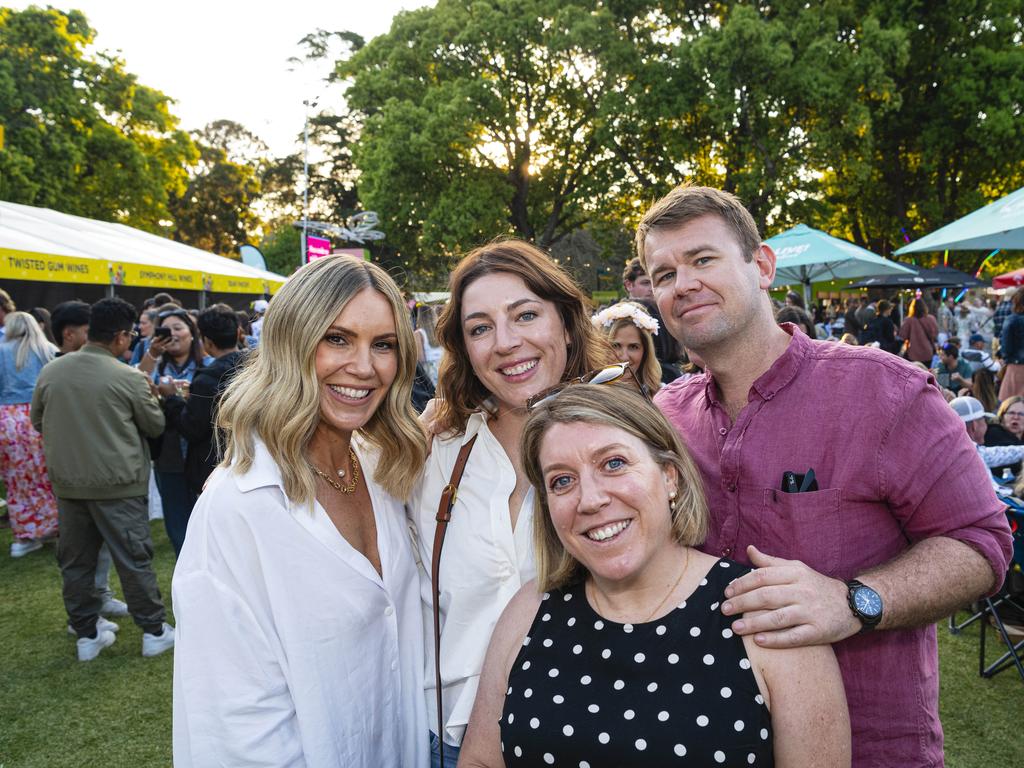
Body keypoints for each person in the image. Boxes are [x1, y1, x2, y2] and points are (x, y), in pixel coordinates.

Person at [635, 184, 1012, 767]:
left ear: (761, 266)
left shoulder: (884, 393)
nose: (683, 284)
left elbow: (981, 543)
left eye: (702, 259)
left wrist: (853, 600)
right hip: (704, 744)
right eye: (663, 274)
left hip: (870, 746)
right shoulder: (664, 419)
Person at [459, 384, 851, 768]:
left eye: (613, 463)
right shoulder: (530, 610)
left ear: (669, 476)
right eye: (562, 481)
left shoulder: (765, 611)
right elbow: (480, 759)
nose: (591, 500)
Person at [172, 255, 428, 767]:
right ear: (291, 342)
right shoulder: (238, 506)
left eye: (383, 345)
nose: (364, 367)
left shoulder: (383, 470)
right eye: (337, 338)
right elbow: (233, 725)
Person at [408, 239, 614, 767]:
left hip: (589, 739)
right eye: (480, 328)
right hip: (449, 740)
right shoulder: (434, 453)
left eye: (525, 315)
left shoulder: (625, 447)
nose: (505, 342)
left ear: (566, 324)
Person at [31, 298, 173, 662]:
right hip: (118, 483)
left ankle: (86, 633)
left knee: (76, 563)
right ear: (123, 338)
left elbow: (37, 420)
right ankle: (154, 631)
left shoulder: (52, 371)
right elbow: (154, 424)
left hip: (68, 484)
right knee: (133, 559)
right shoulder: (126, 377)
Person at [138, 306, 210, 556]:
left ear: (192, 334)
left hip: (204, 454)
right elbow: (132, 383)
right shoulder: (155, 366)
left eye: (178, 328)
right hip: (168, 452)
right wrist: (153, 354)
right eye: (166, 330)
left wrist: (193, 394)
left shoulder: (208, 366)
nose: (173, 334)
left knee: (209, 520)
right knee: (177, 521)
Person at [156, 305, 244, 499]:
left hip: (215, 468)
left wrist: (172, 398)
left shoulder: (207, 379)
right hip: (252, 461)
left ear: (206, 342)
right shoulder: (258, 367)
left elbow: (191, 428)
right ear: (238, 332)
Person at [0, 312, 59, 557]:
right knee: (49, 477)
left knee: (17, 481)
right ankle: (54, 527)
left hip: (9, 419)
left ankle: (25, 536)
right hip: (44, 415)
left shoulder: (2, 351)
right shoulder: (49, 350)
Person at [592, 301, 663, 395]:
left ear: (646, 351)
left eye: (633, 347)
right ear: (601, 346)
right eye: (615, 346)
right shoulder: (587, 394)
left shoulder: (661, 396)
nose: (624, 357)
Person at [998, 288, 1024, 400]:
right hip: (1017, 362)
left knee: (1010, 403)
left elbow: (1006, 347)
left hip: (1016, 366)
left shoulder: (1012, 319)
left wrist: (1005, 358)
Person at [897, 298, 938, 364]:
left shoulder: (909, 320)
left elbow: (903, 336)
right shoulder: (931, 318)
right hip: (928, 352)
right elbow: (935, 334)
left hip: (913, 353)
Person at [415, 303, 444, 386]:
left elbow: (420, 358)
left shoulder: (419, 333)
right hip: (443, 364)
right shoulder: (440, 330)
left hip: (430, 368)